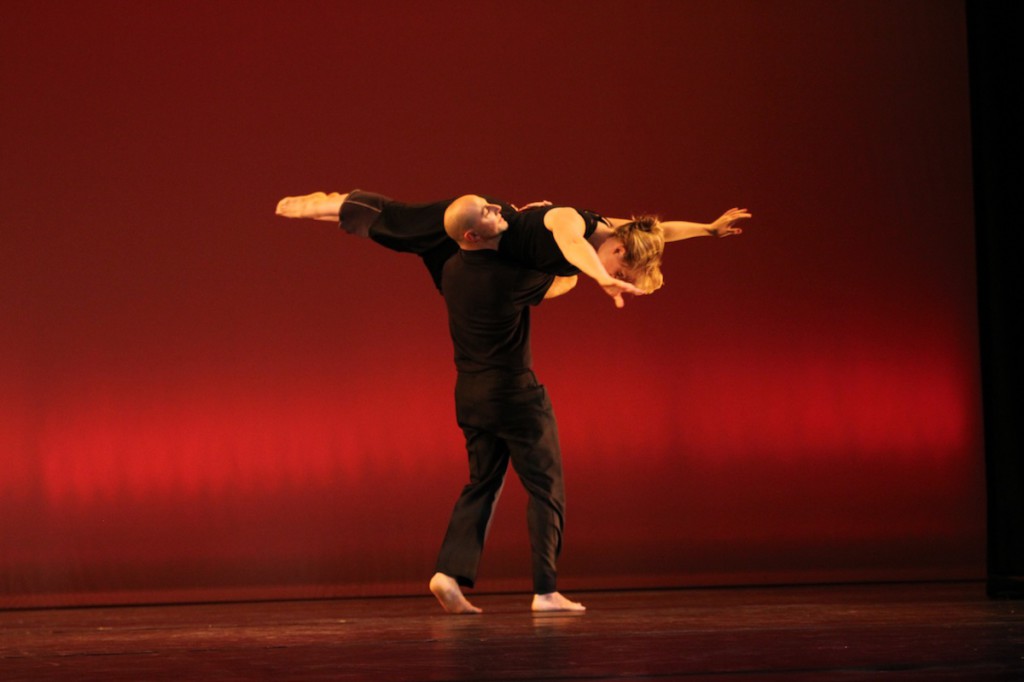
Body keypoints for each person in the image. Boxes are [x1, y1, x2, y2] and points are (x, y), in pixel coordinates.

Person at [427, 200, 584, 614]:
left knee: (482, 483)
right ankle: (546, 591)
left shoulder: (452, 269)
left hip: (470, 394)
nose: (497, 208)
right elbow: (564, 282)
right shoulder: (508, 276)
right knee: (545, 488)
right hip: (515, 393)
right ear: (472, 235)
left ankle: (448, 573)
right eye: (486, 212)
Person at [275, 190, 750, 307]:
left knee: (482, 291)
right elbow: (571, 247)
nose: (612, 276)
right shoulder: (571, 224)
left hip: (507, 269)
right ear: (620, 255)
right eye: (620, 272)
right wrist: (602, 278)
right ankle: (339, 204)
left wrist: (709, 229)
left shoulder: (621, 232)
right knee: (406, 228)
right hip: (487, 232)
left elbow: (664, 231)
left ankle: (347, 207)